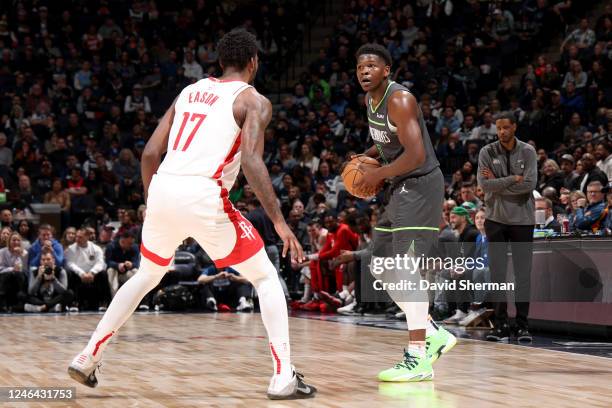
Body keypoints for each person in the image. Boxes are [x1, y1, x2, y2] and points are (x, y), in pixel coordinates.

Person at [68, 29, 315, 400]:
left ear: (219, 62)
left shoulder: (188, 92)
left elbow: (150, 153)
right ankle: (283, 376)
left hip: (164, 187)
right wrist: (279, 222)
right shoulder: (254, 101)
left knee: (147, 275)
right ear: (253, 63)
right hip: (204, 193)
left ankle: (88, 356)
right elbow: (251, 160)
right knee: (265, 277)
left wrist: (157, 201)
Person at [353, 44, 456, 382]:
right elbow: (386, 142)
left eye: (371, 65)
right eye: (360, 67)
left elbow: (415, 154)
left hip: (421, 183)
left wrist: (376, 174)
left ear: (387, 70)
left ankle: (418, 358)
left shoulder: (400, 100)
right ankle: (433, 332)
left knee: (405, 268)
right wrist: (363, 160)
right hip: (401, 187)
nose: (365, 71)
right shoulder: (370, 101)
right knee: (380, 264)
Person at [477, 111, 537, 343]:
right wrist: (513, 179)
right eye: (498, 128)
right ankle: (500, 325)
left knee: (523, 275)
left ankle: (522, 325)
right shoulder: (486, 151)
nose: (501, 131)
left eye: (506, 127)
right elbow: (484, 184)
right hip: (495, 219)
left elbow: (530, 184)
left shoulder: (528, 151)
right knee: (497, 274)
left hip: (523, 220)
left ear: (515, 127)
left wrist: (498, 183)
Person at [65, 228, 109, 311]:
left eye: (80, 237)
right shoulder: (71, 248)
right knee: (69, 273)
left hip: (92, 274)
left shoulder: (96, 248)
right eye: (76, 237)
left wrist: (92, 273)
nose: (77, 239)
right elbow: (70, 264)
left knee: (103, 274)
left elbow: (100, 263)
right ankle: (74, 303)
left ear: (87, 237)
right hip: (78, 274)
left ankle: (103, 302)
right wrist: (82, 274)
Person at [25, 248, 73, 313]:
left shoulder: (61, 271)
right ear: (40, 262)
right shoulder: (35, 272)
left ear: (53, 260)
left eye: (48, 259)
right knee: (21, 295)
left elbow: (63, 291)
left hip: (55, 298)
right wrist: (38, 278)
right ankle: (52, 307)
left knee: (69, 293)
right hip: (40, 299)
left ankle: (42, 308)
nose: (45, 262)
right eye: (43, 260)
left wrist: (54, 279)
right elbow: (31, 292)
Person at [0, 232, 28, 311]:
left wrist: (21, 255)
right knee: (7, 275)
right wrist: (11, 269)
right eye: (14, 240)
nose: (16, 242)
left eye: (18, 240)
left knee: (19, 275)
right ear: (9, 241)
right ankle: (3, 304)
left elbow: (25, 269)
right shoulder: (2, 252)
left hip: (19, 276)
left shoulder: (25, 253)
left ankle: (18, 304)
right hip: (5, 276)